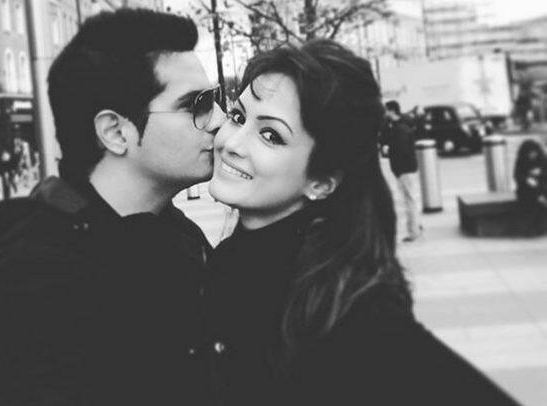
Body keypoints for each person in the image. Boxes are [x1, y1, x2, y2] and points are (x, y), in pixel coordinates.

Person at [206, 40, 518, 405]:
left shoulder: (347, 311)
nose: (233, 143)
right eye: (238, 117)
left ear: (321, 182)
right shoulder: (228, 260)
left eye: (271, 135)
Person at [0, 9, 225, 405]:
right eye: (196, 105)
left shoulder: (178, 236)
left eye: (214, 101)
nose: (219, 119)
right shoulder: (33, 281)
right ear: (115, 132)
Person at [380, 99, 423, 242]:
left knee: (409, 200)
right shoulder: (401, 125)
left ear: (392, 111)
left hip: (404, 169)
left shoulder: (400, 129)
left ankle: (413, 232)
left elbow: (401, 150)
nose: (384, 113)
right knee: (411, 199)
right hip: (407, 168)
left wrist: (389, 151)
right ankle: (417, 226)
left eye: (386, 110)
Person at [514, 139, 547, 209]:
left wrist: (540, 172)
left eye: (534, 153)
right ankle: (540, 199)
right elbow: (517, 175)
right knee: (530, 187)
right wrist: (526, 179)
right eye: (530, 153)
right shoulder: (521, 161)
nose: (532, 155)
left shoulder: (542, 159)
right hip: (527, 188)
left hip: (541, 185)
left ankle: (541, 199)